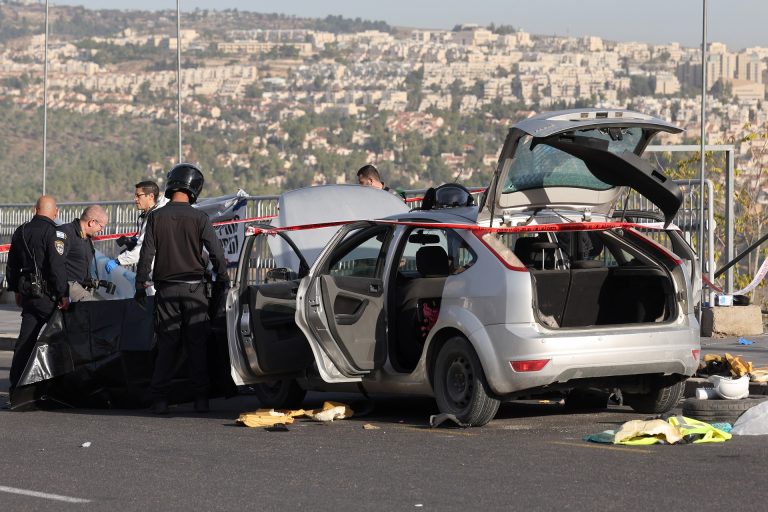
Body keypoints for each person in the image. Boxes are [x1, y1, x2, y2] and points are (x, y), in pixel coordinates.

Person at [135, 163, 229, 415]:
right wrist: (224, 279)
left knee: (167, 346)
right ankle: (201, 399)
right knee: (197, 345)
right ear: (194, 188)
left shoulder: (156, 217)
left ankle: (160, 400)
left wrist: (139, 283)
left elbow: (147, 255)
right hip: (194, 291)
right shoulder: (200, 218)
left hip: (166, 291)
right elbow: (217, 254)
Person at [5, 195, 70, 400]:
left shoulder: (20, 231)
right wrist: (63, 294)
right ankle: (54, 390)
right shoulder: (55, 233)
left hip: (27, 294)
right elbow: (57, 267)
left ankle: (16, 389)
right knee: (59, 340)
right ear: (56, 212)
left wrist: (15, 290)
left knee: (25, 341)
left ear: (35, 210)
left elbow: (12, 266)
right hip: (49, 296)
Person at [104, 180, 168, 293]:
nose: (135, 199)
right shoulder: (152, 215)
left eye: (138, 195)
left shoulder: (153, 218)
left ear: (151, 196)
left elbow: (142, 251)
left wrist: (118, 261)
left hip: (156, 278)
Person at [60, 205, 109, 302]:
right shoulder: (66, 233)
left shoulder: (87, 238)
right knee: (95, 309)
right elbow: (56, 263)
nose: (102, 230)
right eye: (101, 226)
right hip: (67, 287)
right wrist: (63, 292)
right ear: (92, 222)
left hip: (81, 286)